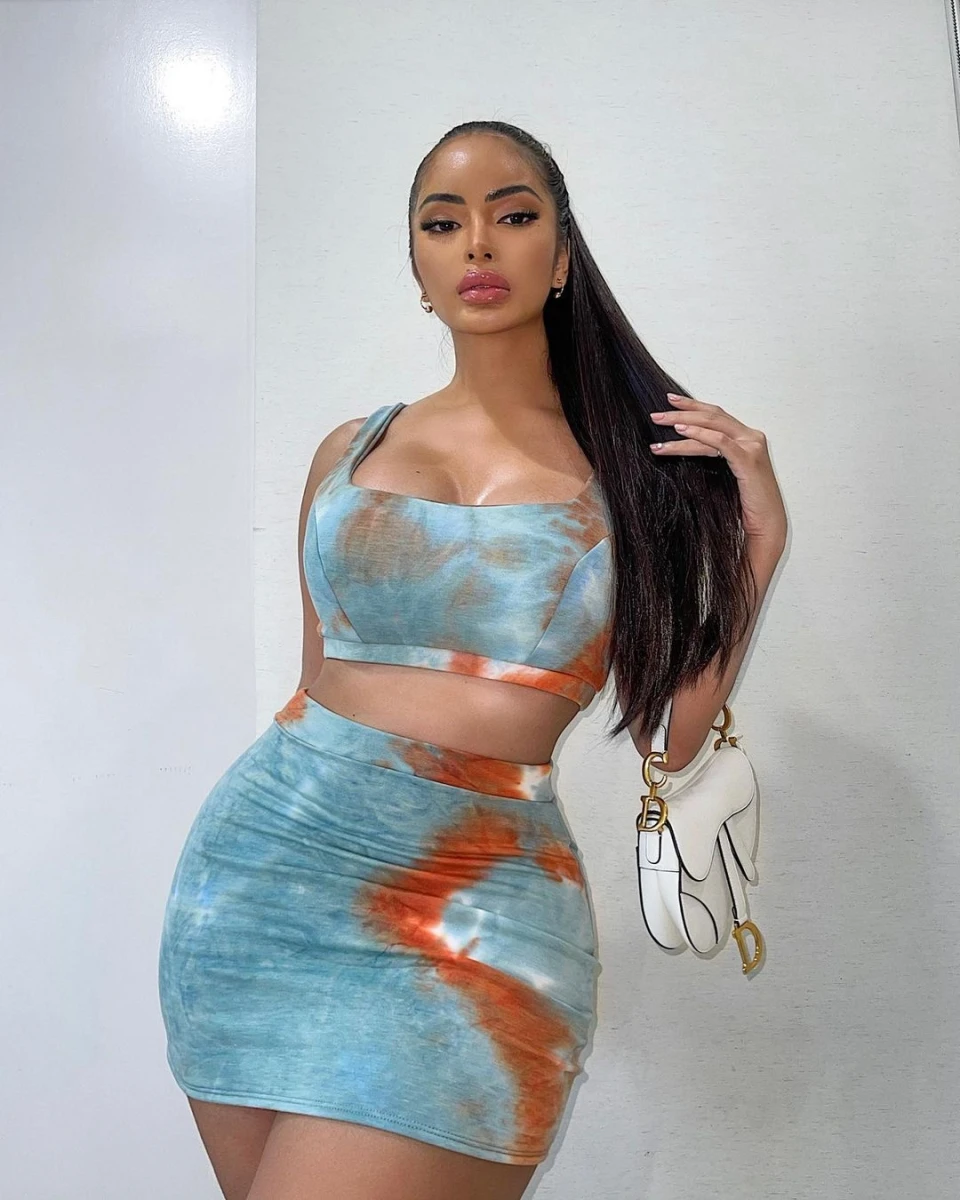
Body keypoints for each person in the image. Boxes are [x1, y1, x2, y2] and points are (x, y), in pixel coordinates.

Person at [157, 119, 787, 1200]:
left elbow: (673, 736)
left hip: (482, 911)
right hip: (261, 882)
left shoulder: (642, 476)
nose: (478, 245)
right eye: (443, 224)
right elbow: (315, 686)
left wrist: (759, 535)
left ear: (563, 253)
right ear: (418, 268)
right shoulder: (350, 448)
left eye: (514, 215)